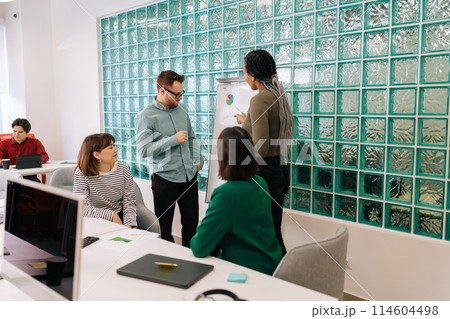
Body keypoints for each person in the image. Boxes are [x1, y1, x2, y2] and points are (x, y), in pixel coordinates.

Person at [190, 127, 282, 275]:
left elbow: (199, 247)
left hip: (244, 272)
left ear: (223, 158)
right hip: (272, 265)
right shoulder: (261, 183)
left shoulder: (225, 194)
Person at [234, 50, 294, 255]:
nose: (244, 77)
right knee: (274, 233)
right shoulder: (278, 95)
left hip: (263, 174)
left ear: (252, 74)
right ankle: (284, 276)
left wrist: (239, 160)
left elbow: (261, 147)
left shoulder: (259, 100)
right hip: (281, 170)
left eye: (244, 72)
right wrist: (247, 122)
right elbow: (272, 131)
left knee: (257, 234)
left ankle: (267, 279)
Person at [135, 70, 203, 247]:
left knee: (191, 225)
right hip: (164, 179)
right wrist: (173, 140)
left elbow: (192, 137)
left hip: (189, 176)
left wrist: (198, 161)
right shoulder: (145, 116)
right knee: (164, 229)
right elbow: (143, 150)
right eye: (177, 94)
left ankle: (192, 263)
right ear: (162, 91)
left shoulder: (182, 109)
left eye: (182, 93)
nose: (180, 98)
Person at [73, 133, 137, 227]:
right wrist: (111, 215)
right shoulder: (81, 172)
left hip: (120, 217)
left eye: (114, 146)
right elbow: (80, 207)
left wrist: (129, 226)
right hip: (94, 219)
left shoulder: (123, 169)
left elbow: (129, 202)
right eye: (110, 148)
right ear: (97, 155)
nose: (116, 150)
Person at [0, 118, 49, 183]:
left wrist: (27, 161)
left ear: (27, 132)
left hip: (29, 175)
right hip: (10, 176)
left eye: (20, 132)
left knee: (36, 185)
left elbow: (45, 156)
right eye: (14, 131)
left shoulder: (35, 142)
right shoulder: (3, 144)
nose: (16, 134)